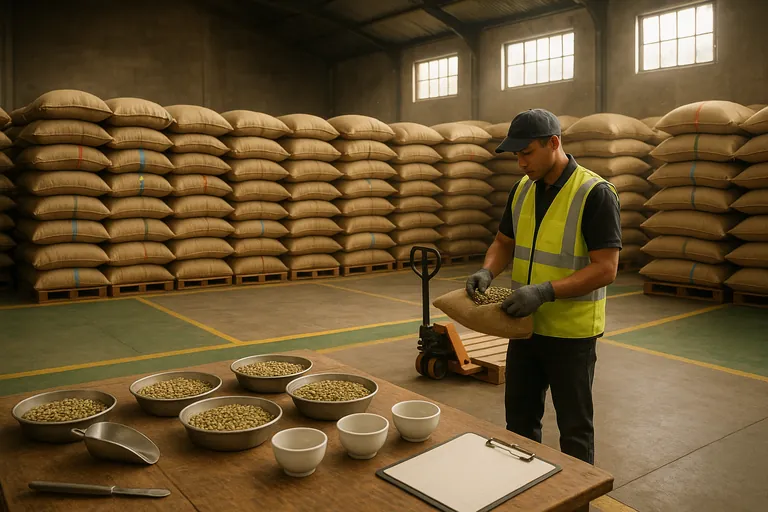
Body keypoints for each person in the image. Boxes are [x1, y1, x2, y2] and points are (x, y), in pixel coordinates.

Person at [465, 109, 622, 474]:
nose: (520, 163)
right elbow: (504, 242)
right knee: (519, 421)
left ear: (554, 144)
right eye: (516, 155)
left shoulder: (594, 193)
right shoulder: (522, 189)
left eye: (526, 153)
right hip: (524, 327)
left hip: (572, 334)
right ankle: (524, 491)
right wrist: (487, 270)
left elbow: (606, 268)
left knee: (574, 429)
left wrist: (545, 292)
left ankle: (576, 499)